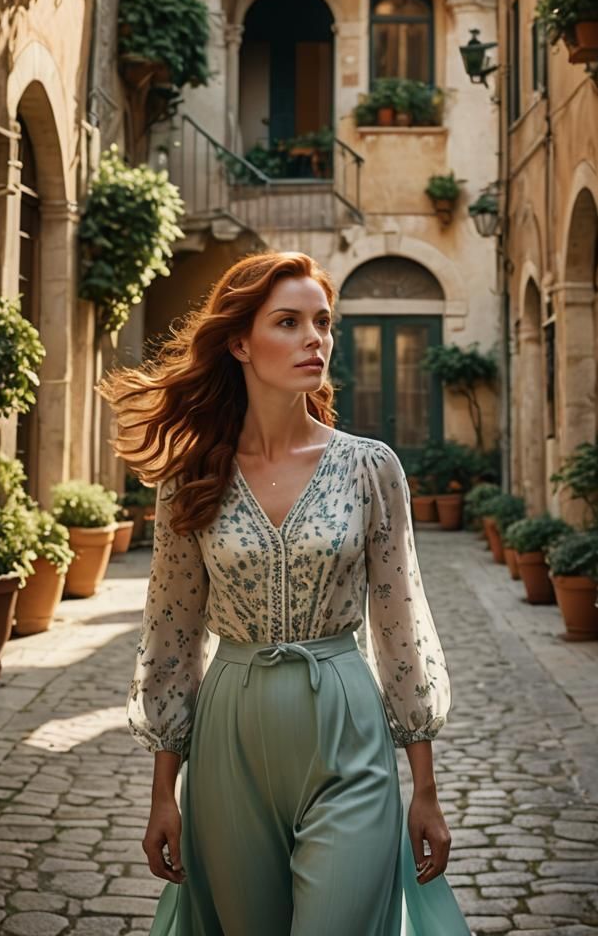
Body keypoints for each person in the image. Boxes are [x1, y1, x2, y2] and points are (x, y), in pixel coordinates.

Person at [100, 250, 470, 936]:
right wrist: (163, 795)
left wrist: (425, 787)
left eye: (323, 323)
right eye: (290, 322)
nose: (315, 339)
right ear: (240, 342)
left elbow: (401, 623)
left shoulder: (370, 467)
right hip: (228, 743)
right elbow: (171, 636)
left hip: (347, 730)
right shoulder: (192, 480)